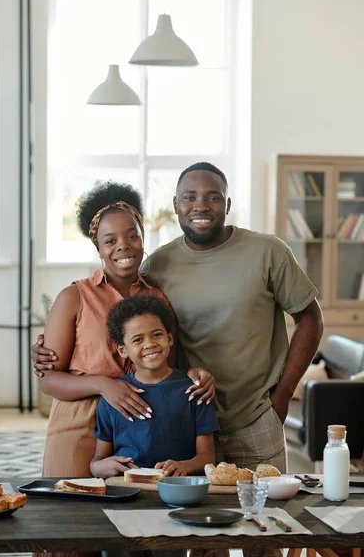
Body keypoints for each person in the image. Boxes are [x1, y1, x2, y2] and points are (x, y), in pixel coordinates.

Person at [34, 163, 324, 474]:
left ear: (227, 204)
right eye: (189, 197)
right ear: (176, 204)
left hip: (232, 418)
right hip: (127, 424)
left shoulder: (263, 253)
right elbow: (53, 372)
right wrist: (69, 366)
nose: (200, 205)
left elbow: (309, 318)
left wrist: (280, 397)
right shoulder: (136, 275)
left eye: (213, 197)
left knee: (259, 512)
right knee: (81, 516)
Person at [35, 181, 215, 478]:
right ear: (98, 247)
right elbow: (49, 380)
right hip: (78, 423)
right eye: (110, 240)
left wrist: (195, 374)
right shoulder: (74, 297)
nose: (123, 246)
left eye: (132, 236)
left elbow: (169, 367)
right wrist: (103, 384)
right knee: (71, 513)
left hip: (144, 426)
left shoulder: (158, 298)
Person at [90, 294, 219, 480]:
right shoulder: (114, 397)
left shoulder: (195, 390)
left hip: (178, 487)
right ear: (122, 350)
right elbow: (98, 461)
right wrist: (100, 467)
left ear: (169, 338)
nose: (150, 344)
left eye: (157, 334)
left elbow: (207, 457)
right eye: (137, 340)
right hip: (128, 490)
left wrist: (184, 466)